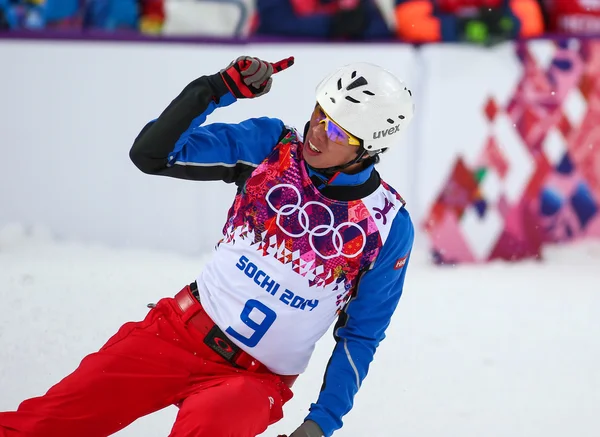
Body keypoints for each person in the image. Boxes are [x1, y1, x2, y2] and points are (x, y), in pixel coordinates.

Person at [0, 55, 415, 437]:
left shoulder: (388, 225)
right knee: (40, 426)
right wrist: (216, 88)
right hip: (174, 335)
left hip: (252, 382)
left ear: (369, 149)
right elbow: (151, 155)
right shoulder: (272, 147)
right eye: (320, 113)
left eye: (338, 130)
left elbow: (360, 335)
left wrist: (322, 422)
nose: (318, 133)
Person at [394, 0, 544, 45]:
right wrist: (461, 28)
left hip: (499, 68)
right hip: (439, 72)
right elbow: (410, 26)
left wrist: (507, 24)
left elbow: (532, 24)